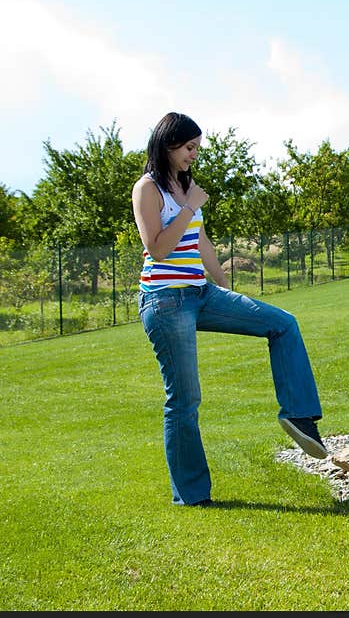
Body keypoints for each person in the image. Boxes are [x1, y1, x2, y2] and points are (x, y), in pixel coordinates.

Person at [132, 111, 326, 507]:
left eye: (197, 149)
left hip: (201, 293)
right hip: (165, 300)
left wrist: (226, 290)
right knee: (184, 400)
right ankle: (191, 495)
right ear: (168, 144)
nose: (194, 156)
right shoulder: (148, 189)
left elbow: (201, 242)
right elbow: (157, 248)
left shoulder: (186, 185)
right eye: (189, 148)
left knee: (282, 324)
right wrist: (188, 206)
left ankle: (299, 416)